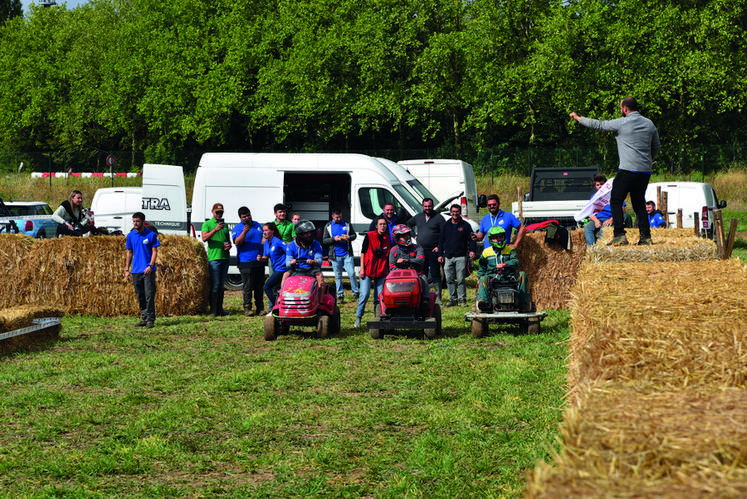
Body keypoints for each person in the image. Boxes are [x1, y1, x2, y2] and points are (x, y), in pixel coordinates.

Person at [570, 97, 661, 246]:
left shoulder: (622, 122)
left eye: (621, 108)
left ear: (625, 109)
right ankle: (645, 237)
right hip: (644, 172)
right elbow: (656, 146)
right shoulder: (649, 123)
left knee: (616, 200)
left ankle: (619, 234)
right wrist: (647, 161)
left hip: (627, 170)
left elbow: (598, 124)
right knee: (639, 203)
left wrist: (578, 118)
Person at [477, 227, 530, 312]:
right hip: (493, 277)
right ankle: (484, 303)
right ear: (491, 239)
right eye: (496, 238)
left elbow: (515, 262)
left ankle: (523, 304)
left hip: (510, 276)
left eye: (500, 237)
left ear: (504, 237)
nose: (498, 240)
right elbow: (482, 267)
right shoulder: (486, 252)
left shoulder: (510, 250)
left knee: (522, 274)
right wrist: (480, 278)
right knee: (483, 278)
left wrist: (505, 264)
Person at [354, 216, 392, 328]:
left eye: (384, 224)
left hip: (381, 271)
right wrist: (362, 268)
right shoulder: (369, 236)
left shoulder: (387, 239)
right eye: (380, 224)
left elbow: (388, 255)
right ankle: (358, 318)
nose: (382, 226)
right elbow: (363, 252)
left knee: (379, 297)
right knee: (364, 295)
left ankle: (377, 318)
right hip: (368, 270)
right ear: (376, 226)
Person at [125, 212, 160, 328]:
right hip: (136, 270)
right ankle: (144, 318)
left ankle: (150, 319)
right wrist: (126, 269)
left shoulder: (151, 235)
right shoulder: (130, 235)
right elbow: (129, 253)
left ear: (143, 222)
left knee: (149, 295)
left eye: (137, 221)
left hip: (148, 270)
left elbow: (154, 251)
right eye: (134, 221)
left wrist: (150, 266)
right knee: (140, 295)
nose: (135, 223)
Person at [407, 197, 443, 305]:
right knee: (422, 274)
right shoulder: (418, 217)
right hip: (421, 251)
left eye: (429, 206)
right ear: (423, 206)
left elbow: (444, 233)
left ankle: (438, 298)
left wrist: (439, 246)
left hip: (433, 251)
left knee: (436, 274)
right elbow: (408, 224)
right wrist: (414, 235)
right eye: (425, 206)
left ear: (432, 206)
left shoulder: (439, 218)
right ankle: (423, 296)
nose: (427, 208)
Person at [438, 204, 476, 307]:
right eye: (453, 211)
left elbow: (472, 239)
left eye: (457, 211)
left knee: (460, 279)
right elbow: (441, 241)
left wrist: (472, 250)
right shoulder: (446, 225)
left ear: (460, 213)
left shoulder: (466, 225)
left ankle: (462, 300)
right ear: (450, 212)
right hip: (448, 257)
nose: (455, 213)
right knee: (449, 279)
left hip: (461, 256)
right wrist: (440, 254)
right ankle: (453, 300)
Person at [232, 207, 265, 316]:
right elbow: (237, 243)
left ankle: (260, 308)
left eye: (248, 215)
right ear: (240, 218)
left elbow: (262, 239)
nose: (247, 218)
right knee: (248, 286)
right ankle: (247, 308)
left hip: (259, 261)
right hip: (246, 262)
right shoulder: (237, 228)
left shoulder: (257, 225)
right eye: (244, 217)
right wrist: (245, 231)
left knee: (259, 286)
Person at [322, 208, 359, 304]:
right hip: (335, 255)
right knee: (338, 276)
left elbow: (354, 235)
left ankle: (356, 294)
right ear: (332, 216)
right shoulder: (328, 226)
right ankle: (340, 296)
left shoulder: (346, 224)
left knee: (352, 274)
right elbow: (324, 240)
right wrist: (334, 239)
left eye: (340, 217)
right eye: (337, 217)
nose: (339, 219)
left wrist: (349, 237)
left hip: (347, 254)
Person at [202, 202, 231, 317]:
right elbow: (204, 238)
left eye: (221, 212)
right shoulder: (207, 224)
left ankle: (220, 310)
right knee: (215, 285)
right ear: (212, 212)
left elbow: (227, 241)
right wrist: (215, 229)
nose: (219, 214)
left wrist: (228, 245)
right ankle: (213, 311)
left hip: (225, 258)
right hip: (214, 259)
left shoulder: (225, 225)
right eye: (217, 212)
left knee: (221, 286)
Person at [282, 219, 324, 290]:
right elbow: (287, 263)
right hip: (296, 269)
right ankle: (283, 297)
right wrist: (291, 262)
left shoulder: (316, 244)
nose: (309, 235)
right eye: (306, 233)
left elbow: (319, 261)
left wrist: (313, 261)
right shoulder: (291, 246)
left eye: (310, 233)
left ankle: (319, 300)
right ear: (300, 234)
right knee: (285, 275)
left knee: (320, 277)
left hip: (312, 269)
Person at [259, 222, 286, 312]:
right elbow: (266, 257)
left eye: (266, 230)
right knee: (275, 288)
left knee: (266, 287)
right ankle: (278, 306)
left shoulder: (278, 241)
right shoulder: (266, 242)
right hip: (275, 269)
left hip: (282, 269)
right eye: (263, 231)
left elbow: (289, 251)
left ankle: (277, 306)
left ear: (272, 231)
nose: (264, 233)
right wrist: (260, 259)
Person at [584, 174, 614, 245]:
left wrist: (611, 219)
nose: (600, 186)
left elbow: (622, 210)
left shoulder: (613, 194)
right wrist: (596, 220)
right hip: (597, 219)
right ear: (595, 186)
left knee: (603, 231)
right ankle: (592, 249)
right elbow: (590, 212)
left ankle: (600, 249)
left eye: (602, 184)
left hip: (609, 218)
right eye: (598, 185)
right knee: (588, 228)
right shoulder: (593, 197)